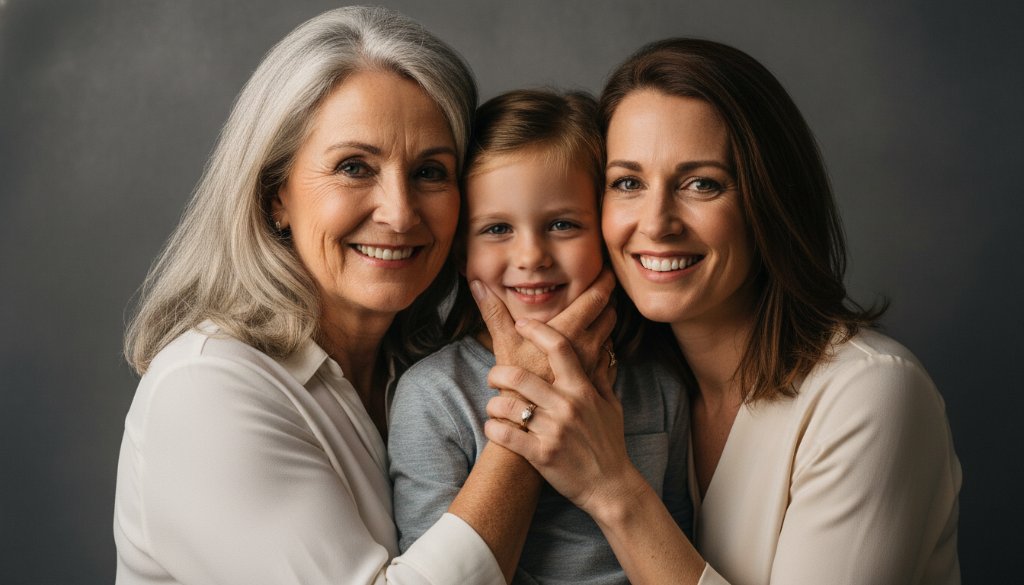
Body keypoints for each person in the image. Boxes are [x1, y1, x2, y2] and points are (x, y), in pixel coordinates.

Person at [112, 7, 615, 584]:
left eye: (430, 172)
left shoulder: (418, 368)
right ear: (275, 193)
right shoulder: (204, 389)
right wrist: (529, 407)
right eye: (355, 167)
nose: (400, 214)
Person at [474, 39, 962, 585]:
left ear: (767, 201)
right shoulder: (643, 383)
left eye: (701, 184)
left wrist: (610, 487)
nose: (656, 223)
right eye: (628, 183)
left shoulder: (870, 393)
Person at [388, 89, 691, 584]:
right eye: (497, 229)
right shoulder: (434, 395)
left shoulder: (657, 382)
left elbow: (678, 547)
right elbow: (434, 563)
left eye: (562, 224)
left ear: (609, 232)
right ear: (462, 251)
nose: (532, 256)